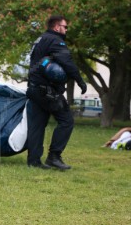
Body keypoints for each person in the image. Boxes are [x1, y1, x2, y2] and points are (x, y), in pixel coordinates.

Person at [25, 15, 88, 170]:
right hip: (47, 92)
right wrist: (80, 80)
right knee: (67, 121)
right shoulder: (55, 40)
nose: (66, 30)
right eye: (65, 27)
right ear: (56, 27)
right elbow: (66, 62)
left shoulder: (40, 39)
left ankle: (33, 161)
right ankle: (54, 156)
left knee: (37, 124)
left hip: (34, 88)